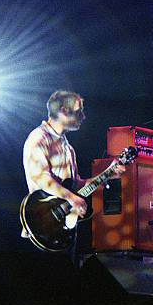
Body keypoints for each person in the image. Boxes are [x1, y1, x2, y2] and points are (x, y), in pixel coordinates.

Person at [21, 90, 126, 252]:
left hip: (64, 227)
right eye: (79, 111)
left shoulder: (68, 148)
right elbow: (42, 178)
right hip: (42, 227)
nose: (83, 116)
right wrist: (71, 198)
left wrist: (108, 174)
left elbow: (77, 186)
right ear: (63, 111)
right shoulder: (39, 138)